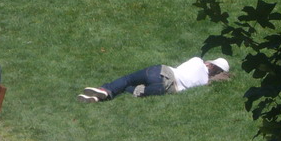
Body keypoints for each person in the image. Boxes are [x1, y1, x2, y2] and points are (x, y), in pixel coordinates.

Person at [77, 57, 229, 102]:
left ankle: (104, 90)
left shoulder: (197, 60)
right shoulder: (203, 82)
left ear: (210, 63)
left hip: (160, 72)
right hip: (164, 89)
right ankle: (99, 98)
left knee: (128, 79)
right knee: (131, 89)